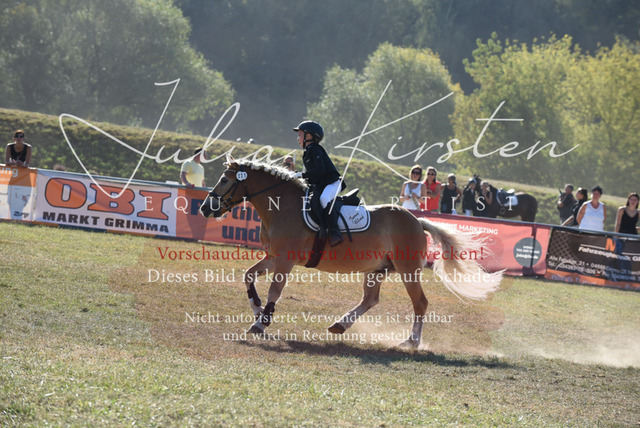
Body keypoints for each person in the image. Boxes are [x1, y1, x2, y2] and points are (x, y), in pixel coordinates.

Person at [292, 121, 344, 246]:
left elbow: (320, 171)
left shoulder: (315, 149)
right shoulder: (308, 151)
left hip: (333, 183)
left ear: (308, 136)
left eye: (299, 135)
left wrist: (302, 175)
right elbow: (313, 176)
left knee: (324, 199)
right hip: (322, 184)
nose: (297, 139)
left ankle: (335, 232)